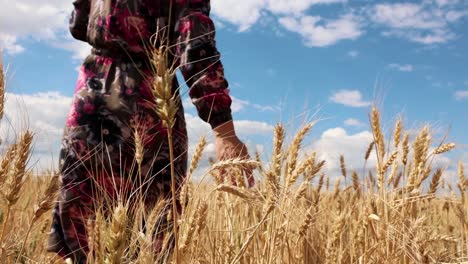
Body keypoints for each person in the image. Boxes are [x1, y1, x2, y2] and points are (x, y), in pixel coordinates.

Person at [46, 0, 253, 262]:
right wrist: (223, 128)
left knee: (85, 233)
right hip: (150, 101)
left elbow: (78, 25)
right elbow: (196, 43)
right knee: (151, 233)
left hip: (92, 97)